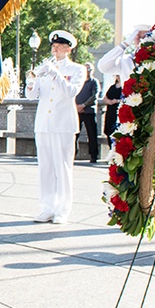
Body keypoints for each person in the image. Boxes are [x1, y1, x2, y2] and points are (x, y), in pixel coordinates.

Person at [25, 30, 87, 224]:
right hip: (43, 123)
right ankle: (47, 207)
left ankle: (63, 210)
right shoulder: (45, 67)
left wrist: (55, 74)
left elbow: (71, 92)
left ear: (68, 49)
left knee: (63, 168)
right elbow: (32, 96)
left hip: (63, 125)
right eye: (54, 46)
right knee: (45, 168)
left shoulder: (76, 69)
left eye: (59, 46)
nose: (55, 48)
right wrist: (30, 83)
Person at [75, 63, 100, 162]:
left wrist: (84, 105)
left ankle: (93, 155)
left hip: (88, 111)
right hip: (77, 111)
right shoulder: (78, 82)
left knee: (92, 134)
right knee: (75, 133)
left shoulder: (94, 82)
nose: (87, 71)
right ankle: (73, 153)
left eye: (89, 70)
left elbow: (94, 96)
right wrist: (76, 106)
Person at [100, 75, 122, 148]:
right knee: (109, 130)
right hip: (110, 110)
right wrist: (109, 101)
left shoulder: (123, 87)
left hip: (118, 110)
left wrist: (117, 101)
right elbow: (105, 98)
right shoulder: (112, 87)